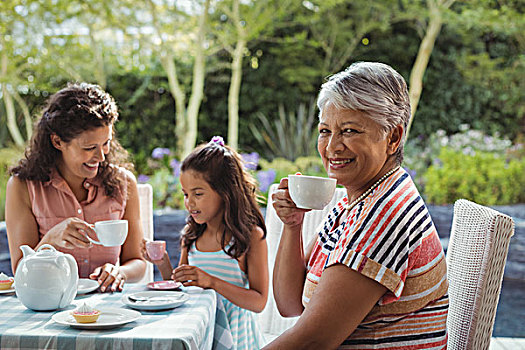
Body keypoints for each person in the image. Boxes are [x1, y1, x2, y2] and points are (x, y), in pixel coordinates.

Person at [264, 62, 448, 349]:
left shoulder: (384, 215)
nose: (332, 146)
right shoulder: (358, 201)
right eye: (325, 131)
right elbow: (290, 304)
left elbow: (312, 341)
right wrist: (293, 225)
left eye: (349, 131)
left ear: (393, 137)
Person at [6, 83, 146, 293]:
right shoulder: (23, 187)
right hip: (49, 307)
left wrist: (120, 272)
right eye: (89, 148)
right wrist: (50, 240)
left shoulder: (123, 184)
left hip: (108, 309)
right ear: (57, 141)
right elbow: (20, 272)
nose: (101, 156)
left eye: (106, 143)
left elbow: (137, 261)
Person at [141, 136, 268, 349]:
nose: (189, 202)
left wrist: (211, 282)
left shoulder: (250, 237)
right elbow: (180, 291)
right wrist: (162, 263)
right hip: (201, 338)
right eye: (185, 194)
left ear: (225, 192)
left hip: (238, 342)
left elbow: (259, 302)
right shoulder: (191, 237)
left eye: (198, 194)